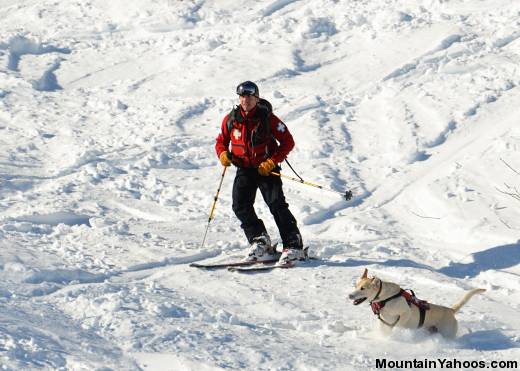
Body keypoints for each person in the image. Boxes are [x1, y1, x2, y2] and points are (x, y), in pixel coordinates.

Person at [215, 81, 304, 265]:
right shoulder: (231, 119)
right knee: (240, 205)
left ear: (256, 98)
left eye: (249, 96)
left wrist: (272, 161)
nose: (245, 100)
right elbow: (221, 141)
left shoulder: (269, 118)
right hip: (244, 169)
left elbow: (288, 141)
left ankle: (293, 245)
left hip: (266, 169)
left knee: (276, 205)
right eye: (242, 96)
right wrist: (223, 154)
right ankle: (259, 240)